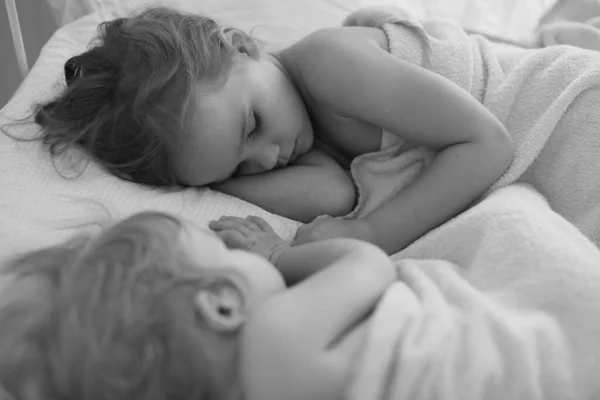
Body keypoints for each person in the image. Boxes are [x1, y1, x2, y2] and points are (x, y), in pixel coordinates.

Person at [31, 5, 600, 255]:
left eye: (252, 126)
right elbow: (333, 194)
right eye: (238, 168)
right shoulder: (297, 132)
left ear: (245, 47)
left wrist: (373, 235)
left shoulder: (330, 66)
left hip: (567, 113)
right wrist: (211, 175)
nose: (270, 156)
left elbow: (488, 142)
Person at [0, 211, 395, 400]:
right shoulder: (274, 337)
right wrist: (276, 254)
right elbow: (369, 264)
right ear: (224, 303)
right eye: (226, 251)